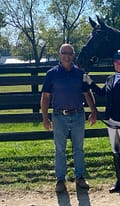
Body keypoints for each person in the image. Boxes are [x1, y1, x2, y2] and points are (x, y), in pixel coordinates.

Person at [40, 43, 97, 193]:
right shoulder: (52, 74)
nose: (67, 56)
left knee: (79, 148)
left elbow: (87, 93)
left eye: (70, 53)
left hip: (78, 114)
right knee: (60, 149)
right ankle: (60, 180)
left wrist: (93, 111)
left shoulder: (79, 73)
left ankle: (80, 177)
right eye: (64, 53)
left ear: (73, 55)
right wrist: (45, 117)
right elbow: (45, 96)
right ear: (60, 55)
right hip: (59, 116)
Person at [83, 49, 120, 194]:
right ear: (113, 63)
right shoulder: (110, 79)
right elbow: (101, 93)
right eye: (116, 62)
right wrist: (90, 82)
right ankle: (119, 180)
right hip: (111, 120)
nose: (119, 65)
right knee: (115, 149)